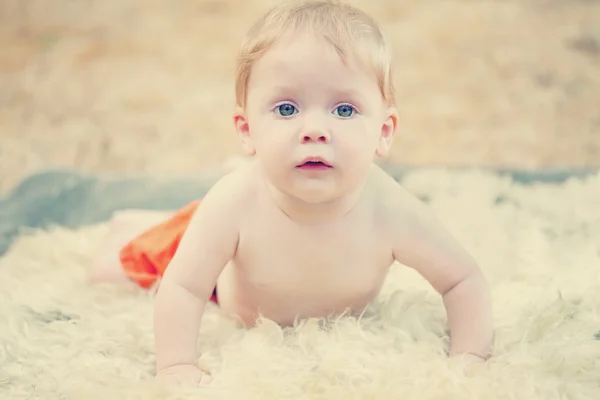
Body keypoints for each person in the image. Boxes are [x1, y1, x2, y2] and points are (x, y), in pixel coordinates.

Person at [90, 0, 494, 387]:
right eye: (286, 109)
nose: (315, 129)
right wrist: (176, 363)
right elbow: (185, 288)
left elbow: (463, 279)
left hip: (242, 233)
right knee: (112, 271)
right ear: (247, 129)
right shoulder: (235, 202)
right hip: (225, 279)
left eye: (344, 110)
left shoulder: (391, 208)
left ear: (384, 132)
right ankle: (140, 222)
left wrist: (470, 357)